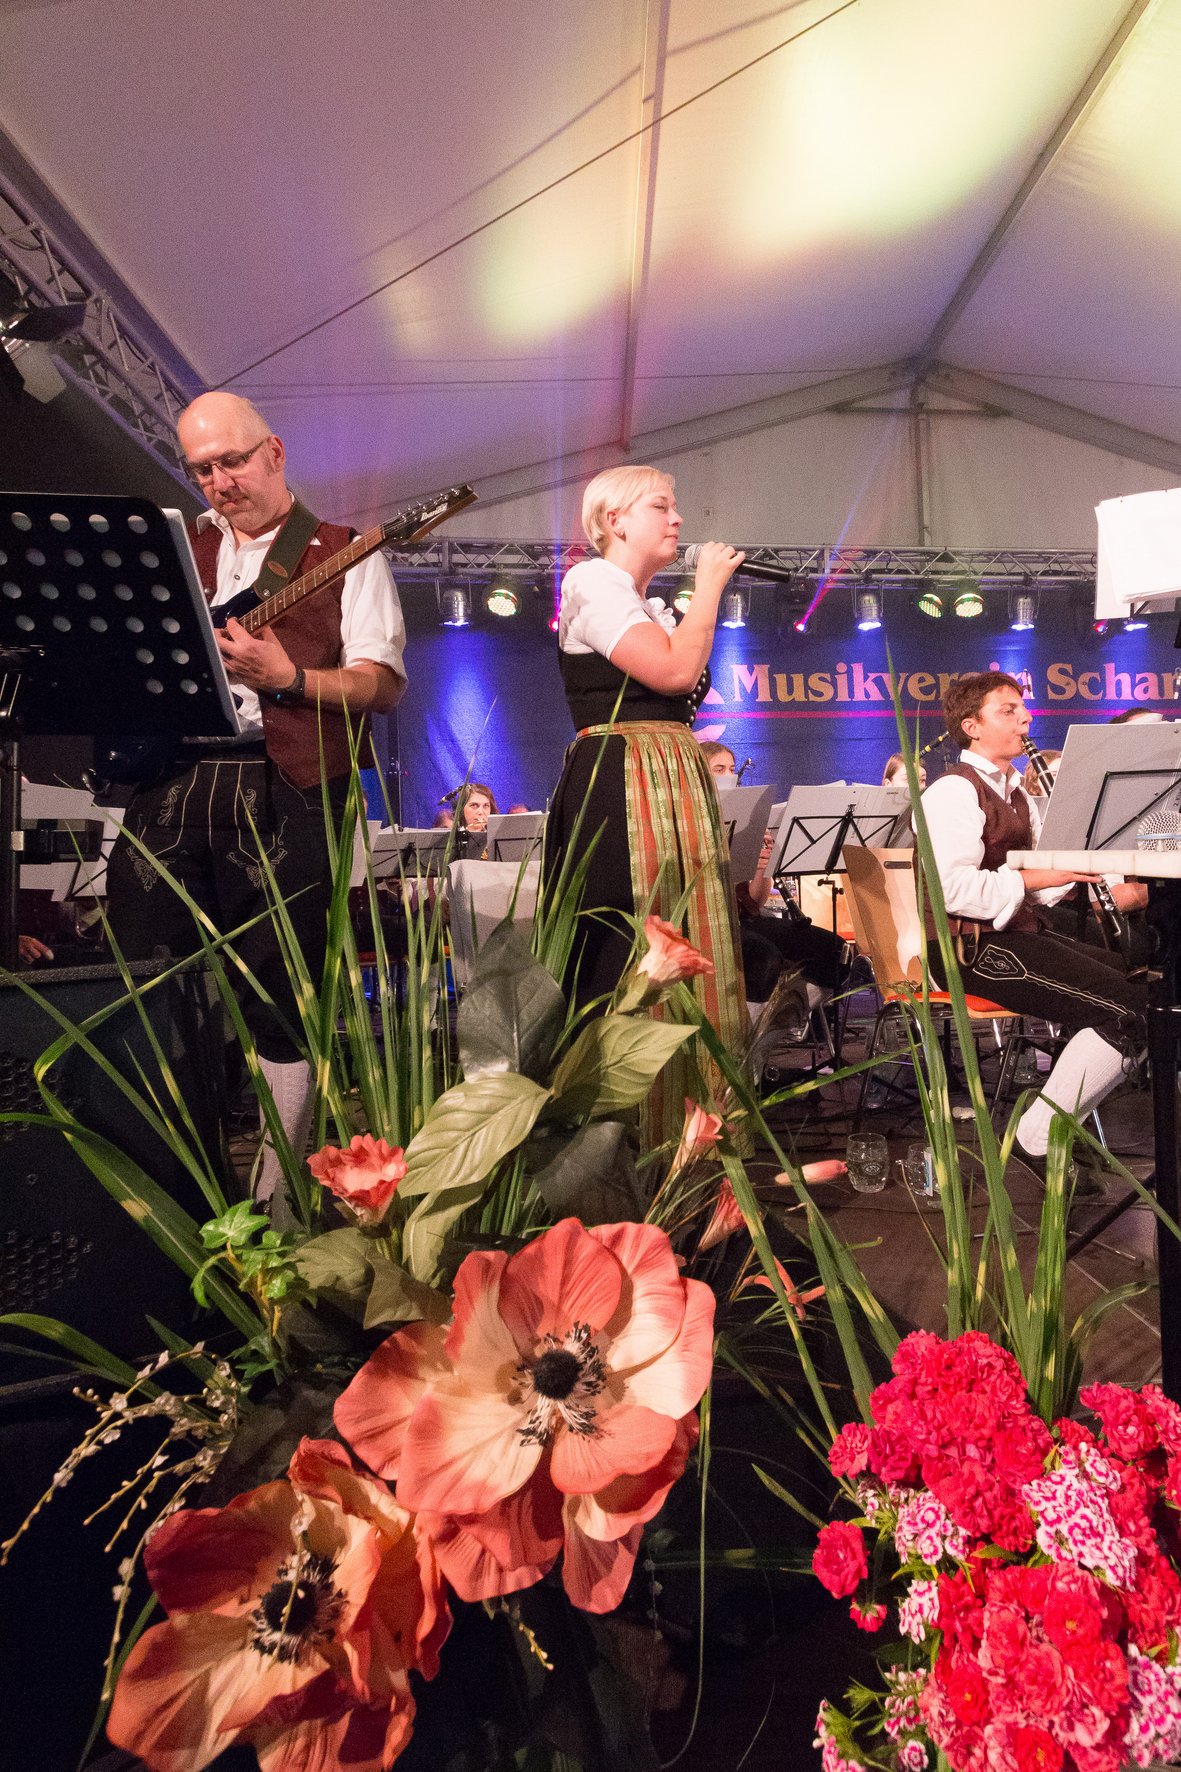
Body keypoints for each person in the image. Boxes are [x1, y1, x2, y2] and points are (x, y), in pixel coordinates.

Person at [107, 392, 407, 1216]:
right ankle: (178, 1208)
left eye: (232, 461)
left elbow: (381, 685)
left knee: (285, 996)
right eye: (202, 468)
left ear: (274, 452)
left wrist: (291, 678)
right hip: (171, 780)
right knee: (147, 988)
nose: (219, 481)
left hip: (289, 785)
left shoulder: (345, 551)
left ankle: (278, 1210)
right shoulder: (174, 551)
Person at [544, 465, 746, 1151]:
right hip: (622, 778)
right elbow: (673, 672)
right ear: (614, 520)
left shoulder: (647, 606)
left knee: (685, 933)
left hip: (668, 777)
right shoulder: (591, 582)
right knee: (625, 944)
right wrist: (708, 587)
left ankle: (685, 1139)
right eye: (661, 505)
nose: (678, 519)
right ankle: (615, 1143)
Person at [918, 671, 1147, 1184]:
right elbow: (950, 890)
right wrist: (1032, 877)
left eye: (1023, 709)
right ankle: (1036, 1138)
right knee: (1126, 1008)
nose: (1025, 719)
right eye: (1008, 711)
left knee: (1144, 992)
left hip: (1014, 933)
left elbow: (1042, 889)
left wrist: (1093, 870)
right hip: (965, 949)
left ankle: (1055, 1125)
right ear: (971, 726)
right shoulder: (953, 791)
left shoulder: (1018, 791)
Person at [699, 740, 845, 998]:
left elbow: (755, 901)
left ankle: (795, 1013)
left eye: (732, 769)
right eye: (719, 769)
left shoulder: (744, 815)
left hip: (747, 920)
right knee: (765, 956)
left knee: (833, 949)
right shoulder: (694, 820)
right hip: (715, 923)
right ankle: (760, 1019)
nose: (729, 776)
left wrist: (761, 866)